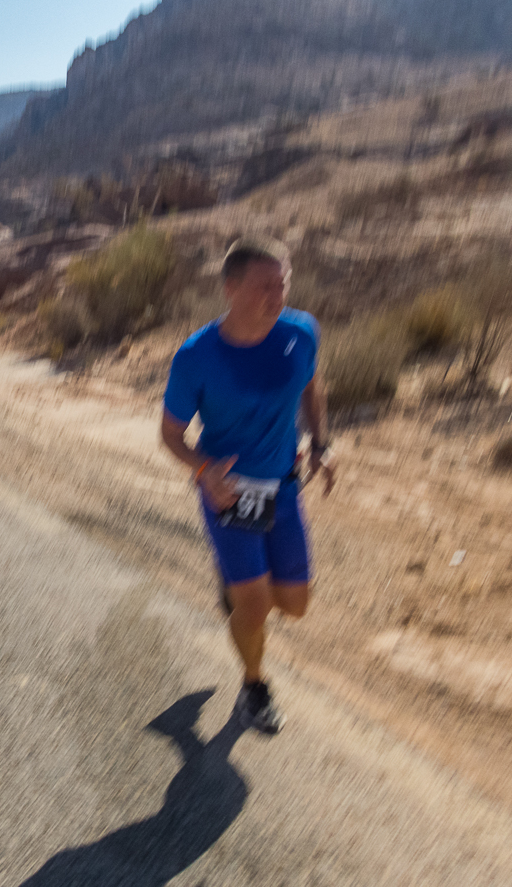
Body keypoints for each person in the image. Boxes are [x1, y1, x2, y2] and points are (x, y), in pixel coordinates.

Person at [160, 237, 336, 735]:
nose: (277, 295)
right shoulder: (196, 356)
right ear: (230, 289)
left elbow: (310, 383)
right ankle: (254, 687)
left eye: (283, 283)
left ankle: (235, 590)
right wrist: (202, 469)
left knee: (296, 606)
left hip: (283, 488)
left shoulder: (301, 333)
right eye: (264, 286)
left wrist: (320, 442)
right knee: (256, 608)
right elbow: (171, 435)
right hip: (229, 492)